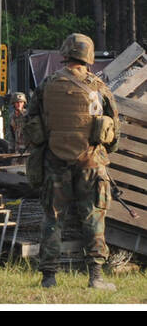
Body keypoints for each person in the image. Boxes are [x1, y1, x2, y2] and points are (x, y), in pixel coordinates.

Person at [24, 33, 120, 290]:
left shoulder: (47, 84)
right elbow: (114, 133)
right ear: (88, 56)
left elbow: (31, 124)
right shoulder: (99, 87)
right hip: (91, 163)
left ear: (65, 53)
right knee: (94, 218)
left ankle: (49, 277)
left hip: (55, 162)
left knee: (53, 218)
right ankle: (96, 277)